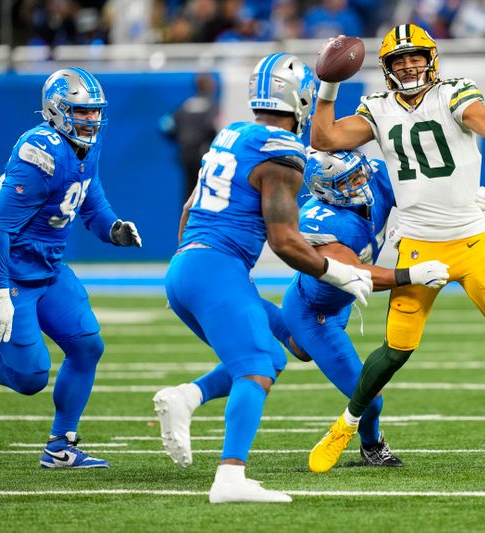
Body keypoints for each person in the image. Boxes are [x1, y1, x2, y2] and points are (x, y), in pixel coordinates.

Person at [306, 24, 485, 475]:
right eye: (398, 60)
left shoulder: (454, 92)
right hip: (420, 246)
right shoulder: (377, 107)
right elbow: (323, 140)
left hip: (473, 240)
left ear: (432, 58)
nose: (408, 65)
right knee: (396, 351)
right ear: (386, 69)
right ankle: (344, 428)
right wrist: (328, 85)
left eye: (415, 56)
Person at [155, 148, 480, 471]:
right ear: (328, 191)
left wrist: (462, 204)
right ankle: (372, 446)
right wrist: (410, 275)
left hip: (334, 301)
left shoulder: (376, 176)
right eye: (349, 180)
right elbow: (358, 273)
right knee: (369, 397)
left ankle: (257, 313)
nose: (361, 181)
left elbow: (420, 191)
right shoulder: (319, 223)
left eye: (359, 172)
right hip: (314, 312)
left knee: (296, 350)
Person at [159, 53, 376, 504]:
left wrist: (192, 275)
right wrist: (337, 271)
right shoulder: (283, 153)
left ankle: (188, 396)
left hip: (190, 266)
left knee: (281, 353)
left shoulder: (233, 133)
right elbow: (282, 241)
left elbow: (187, 210)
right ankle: (230, 477)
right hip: (215, 271)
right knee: (257, 366)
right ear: (298, 98)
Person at [0, 67, 142, 469]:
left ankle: (61, 446)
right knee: (30, 378)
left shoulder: (87, 145)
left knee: (88, 346)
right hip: (7, 272)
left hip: (50, 268)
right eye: (82, 111)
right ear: (57, 111)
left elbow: (90, 199)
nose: (91, 120)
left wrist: (112, 228)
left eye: (95, 112)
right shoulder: (38, 152)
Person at [159, 73, 219, 200]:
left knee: (188, 191)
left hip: (185, 153)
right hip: (202, 154)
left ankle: (186, 218)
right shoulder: (211, 105)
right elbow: (211, 127)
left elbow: (166, 126)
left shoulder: (186, 104)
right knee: (203, 191)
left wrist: (179, 141)